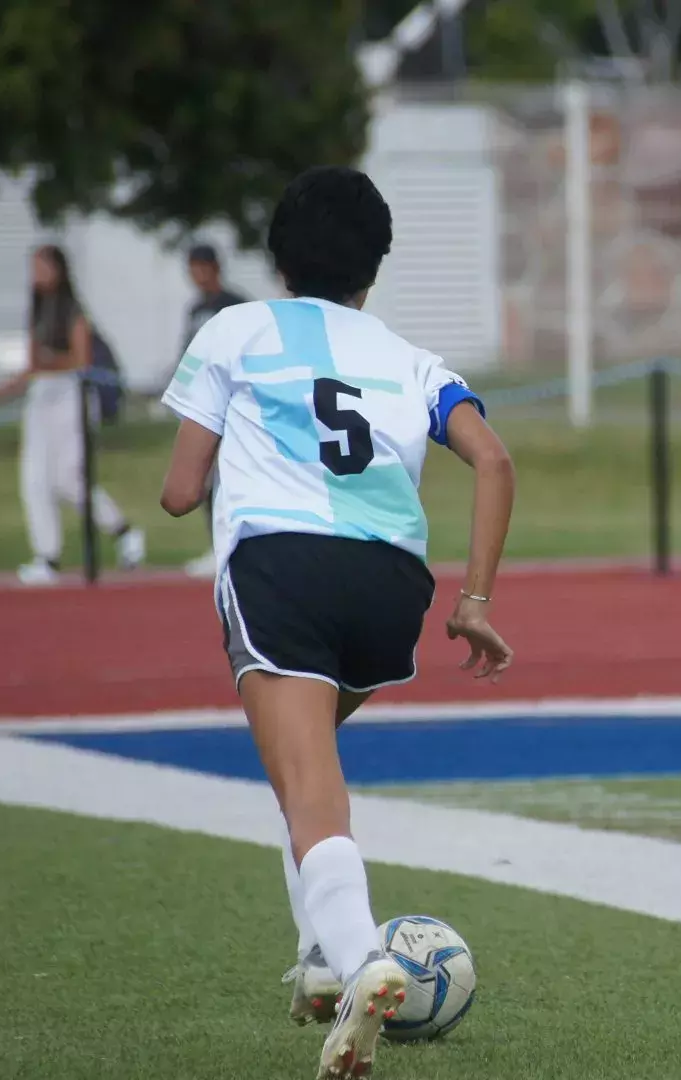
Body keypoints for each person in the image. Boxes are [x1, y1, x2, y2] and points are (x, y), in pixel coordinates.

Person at [158, 165, 516, 1080]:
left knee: (309, 785)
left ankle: (362, 964)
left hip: (282, 568)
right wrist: (473, 602)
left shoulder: (234, 328)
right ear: (376, 269)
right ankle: (321, 961)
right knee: (299, 771)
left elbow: (177, 492)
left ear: (278, 260)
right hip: (393, 584)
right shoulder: (407, 357)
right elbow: (493, 460)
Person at [0, 245, 146, 585]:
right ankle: (47, 557)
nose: (36, 274)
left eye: (42, 266)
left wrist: (48, 362)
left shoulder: (73, 310)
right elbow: (31, 366)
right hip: (41, 396)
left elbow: (80, 360)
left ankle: (123, 531)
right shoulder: (37, 310)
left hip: (71, 396)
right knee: (34, 478)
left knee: (69, 477)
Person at [177, 244, 250, 579]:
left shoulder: (234, 305)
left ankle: (236, 541)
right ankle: (216, 543)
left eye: (200, 267)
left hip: (230, 400)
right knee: (205, 477)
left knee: (231, 473)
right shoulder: (195, 309)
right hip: (203, 401)